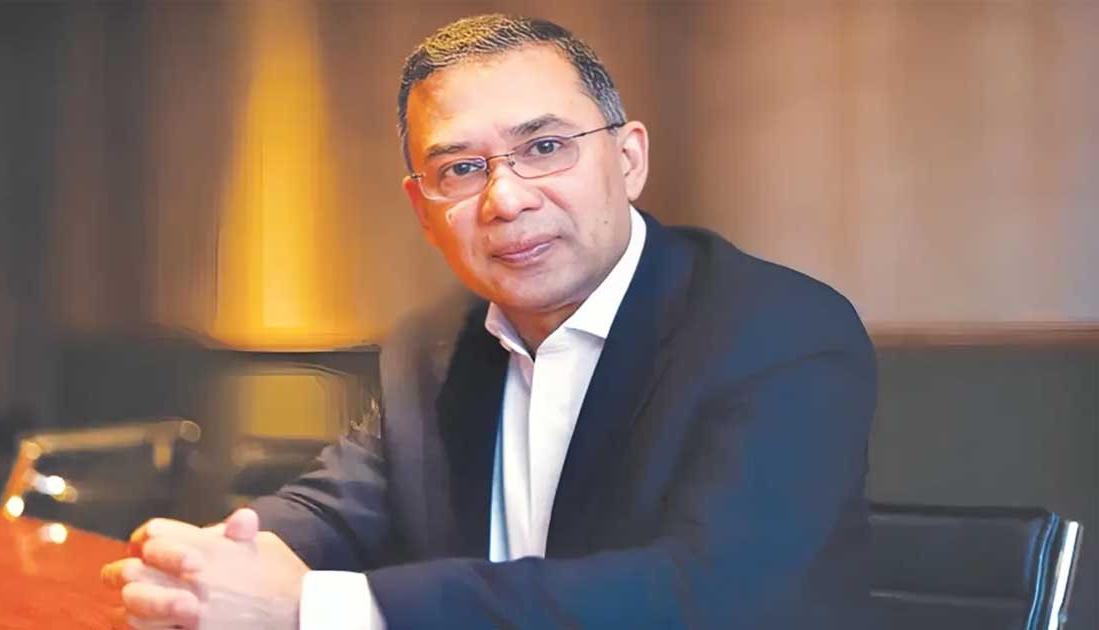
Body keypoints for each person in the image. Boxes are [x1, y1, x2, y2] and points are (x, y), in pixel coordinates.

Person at [101, 14, 877, 629]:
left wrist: (321, 608)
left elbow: (712, 598)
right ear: (423, 210)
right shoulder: (435, 347)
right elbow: (335, 508)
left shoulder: (779, 331)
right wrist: (208, 563)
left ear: (629, 159)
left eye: (545, 146)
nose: (506, 199)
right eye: (462, 169)